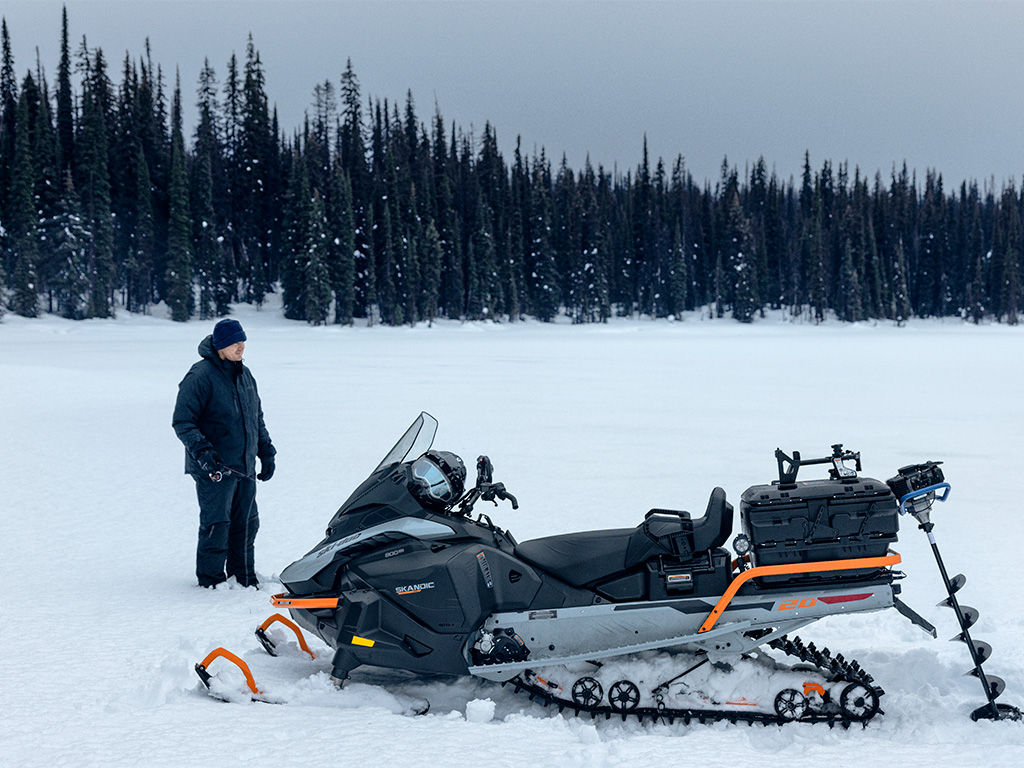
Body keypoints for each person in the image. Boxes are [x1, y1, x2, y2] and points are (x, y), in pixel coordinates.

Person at [172, 318, 276, 588]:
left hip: (244, 465)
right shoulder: (200, 376)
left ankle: (243, 578)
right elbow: (183, 421)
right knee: (217, 525)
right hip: (214, 467)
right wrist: (203, 453)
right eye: (234, 342)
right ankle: (211, 582)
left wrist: (266, 452)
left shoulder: (245, 375)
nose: (240, 346)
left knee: (247, 523)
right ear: (220, 346)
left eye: (242, 340)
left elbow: (256, 418)